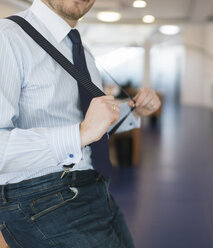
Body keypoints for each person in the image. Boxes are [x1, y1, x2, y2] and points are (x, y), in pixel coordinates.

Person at [0, 0, 161, 247]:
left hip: (96, 188)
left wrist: (134, 111)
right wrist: (79, 134)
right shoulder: (7, 37)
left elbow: (88, 124)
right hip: (40, 197)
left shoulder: (83, 52)